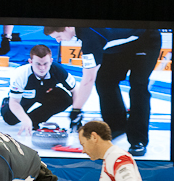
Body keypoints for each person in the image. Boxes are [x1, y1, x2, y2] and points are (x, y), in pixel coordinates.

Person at [44, 26, 161, 157]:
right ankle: (116, 125)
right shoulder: (85, 35)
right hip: (119, 46)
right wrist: (76, 109)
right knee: (104, 80)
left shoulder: (91, 37)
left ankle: (138, 140)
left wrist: (76, 110)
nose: (58, 41)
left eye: (58, 37)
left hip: (145, 41)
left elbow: (88, 79)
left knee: (138, 85)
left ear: (68, 27)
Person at [0, 44, 77, 135]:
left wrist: (76, 112)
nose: (42, 68)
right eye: (38, 64)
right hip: (25, 96)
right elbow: (14, 102)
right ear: (30, 62)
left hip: (46, 92)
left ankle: (35, 120)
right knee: (10, 119)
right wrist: (25, 120)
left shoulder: (58, 71)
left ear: (51, 61)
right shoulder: (20, 74)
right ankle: (6, 103)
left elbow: (75, 90)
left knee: (66, 99)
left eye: (45, 63)